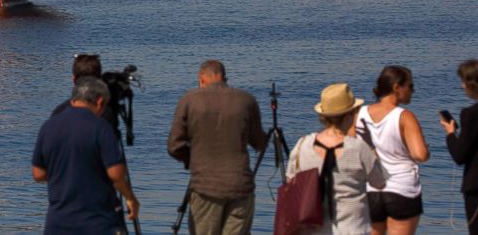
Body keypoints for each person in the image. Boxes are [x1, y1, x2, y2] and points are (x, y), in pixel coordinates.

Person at [167, 60, 266, 235]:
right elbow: (260, 143)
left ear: (201, 79)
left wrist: (192, 161)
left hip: (205, 186)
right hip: (240, 185)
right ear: (224, 78)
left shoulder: (190, 100)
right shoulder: (246, 100)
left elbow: (174, 145)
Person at [33, 77, 139, 234]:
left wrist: (66, 174)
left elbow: (38, 174)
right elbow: (116, 174)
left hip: (58, 222)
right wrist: (130, 198)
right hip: (97, 222)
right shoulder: (101, 127)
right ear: (100, 102)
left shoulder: (48, 126)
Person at [287, 83, 386, 234]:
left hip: (312, 228)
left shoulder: (302, 145)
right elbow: (379, 182)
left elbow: (291, 182)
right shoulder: (359, 149)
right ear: (348, 115)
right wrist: (372, 148)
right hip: (352, 228)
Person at [358, 66, 429, 234]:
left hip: (371, 189)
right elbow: (420, 155)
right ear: (396, 87)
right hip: (401, 188)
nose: (413, 90)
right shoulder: (404, 116)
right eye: (410, 86)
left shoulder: (359, 113)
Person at [442, 59, 478, 234]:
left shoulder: (470, 115)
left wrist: (450, 133)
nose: (462, 86)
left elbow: (460, 155)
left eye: (464, 82)